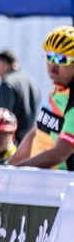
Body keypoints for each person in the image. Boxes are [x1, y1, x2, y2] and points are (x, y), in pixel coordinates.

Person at [10, 27, 74, 170]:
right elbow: (36, 133)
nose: (53, 64)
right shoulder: (58, 89)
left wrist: (17, 170)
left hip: (60, 187)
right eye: (49, 56)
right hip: (39, 179)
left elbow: (59, 154)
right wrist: (9, 166)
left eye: (61, 59)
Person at [0, 49, 40, 144]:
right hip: (29, 141)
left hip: (13, 143)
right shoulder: (31, 82)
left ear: (0, 62)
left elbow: (2, 117)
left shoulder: (8, 83)